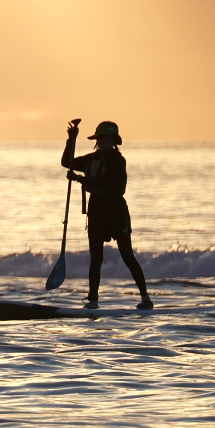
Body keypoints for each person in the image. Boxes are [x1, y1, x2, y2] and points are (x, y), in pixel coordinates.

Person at [61, 120, 152, 310]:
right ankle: (92, 301)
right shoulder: (91, 159)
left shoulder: (118, 161)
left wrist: (79, 179)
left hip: (116, 213)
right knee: (96, 259)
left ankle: (145, 299)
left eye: (107, 138)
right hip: (96, 214)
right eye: (101, 138)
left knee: (127, 256)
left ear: (114, 141)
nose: (103, 142)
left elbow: (104, 184)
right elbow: (66, 162)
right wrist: (71, 139)